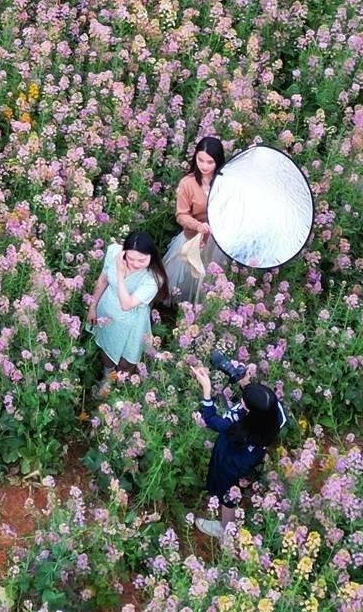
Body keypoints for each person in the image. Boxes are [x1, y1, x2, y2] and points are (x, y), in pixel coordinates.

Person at [189, 361, 285, 543]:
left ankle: (226, 529)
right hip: (250, 456)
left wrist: (206, 389)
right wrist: (245, 382)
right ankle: (228, 522)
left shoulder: (236, 423)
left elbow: (211, 419)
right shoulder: (273, 414)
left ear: (249, 412)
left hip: (231, 460)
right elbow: (260, 402)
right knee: (235, 486)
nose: (241, 403)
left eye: (244, 402)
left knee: (228, 493)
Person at [87, 231, 169, 378]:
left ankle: (121, 385)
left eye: (142, 260)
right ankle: (107, 379)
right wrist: (93, 307)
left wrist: (120, 274)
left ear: (152, 256)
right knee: (106, 349)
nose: (135, 264)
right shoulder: (114, 252)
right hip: (107, 310)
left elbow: (127, 304)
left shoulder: (153, 278)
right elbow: (102, 281)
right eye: (131, 258)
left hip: (132, 321)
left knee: (126, 361)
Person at [163, 136, 229, 303]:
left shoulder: (225, 182)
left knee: (211, 276)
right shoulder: (188, 183)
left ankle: (204, 308)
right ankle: (180, 307)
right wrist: (198, 226)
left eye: (210, 162)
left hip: (217, 241)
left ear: (218, 162)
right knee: (187, 273)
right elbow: (181, 214)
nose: (204, 166)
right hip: (193, 237)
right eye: (200, 160)